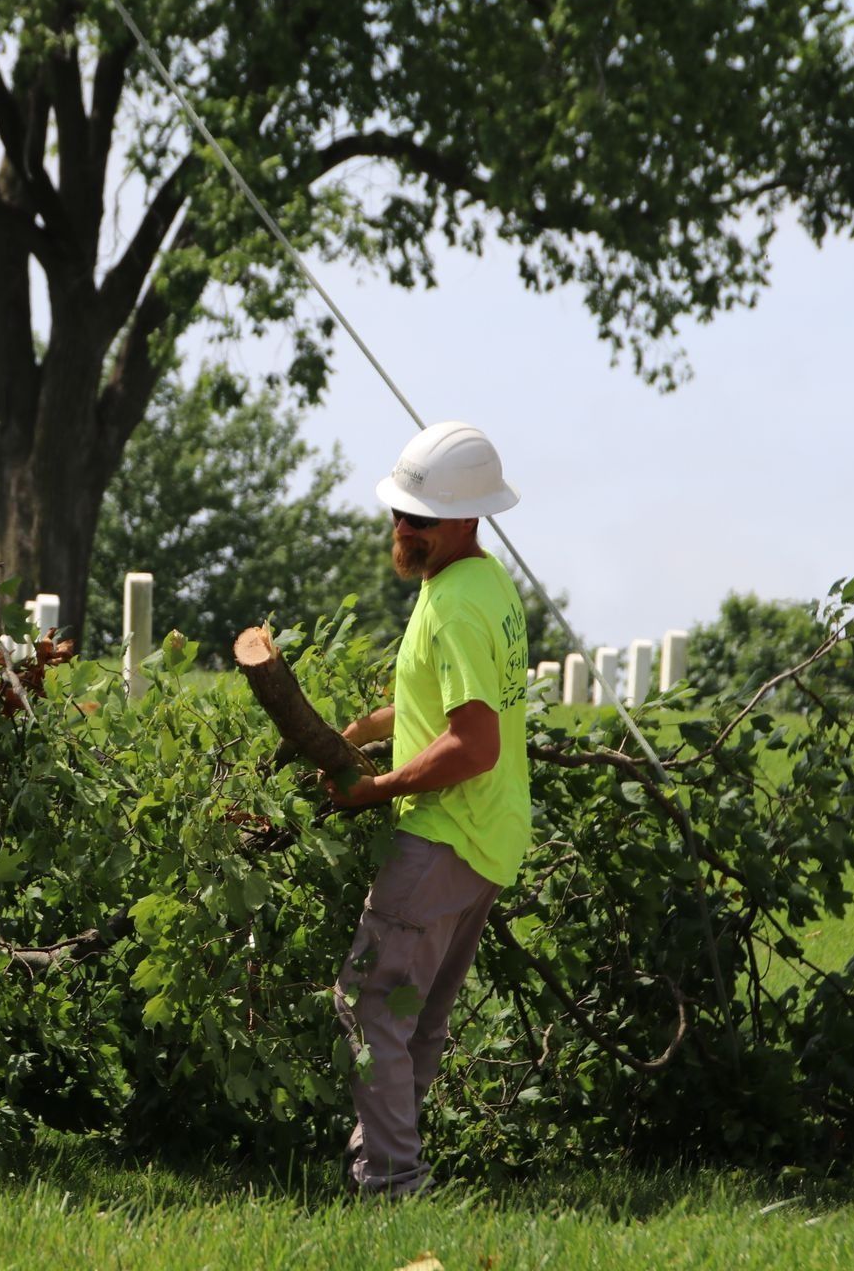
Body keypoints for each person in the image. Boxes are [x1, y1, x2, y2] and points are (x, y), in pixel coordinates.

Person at [323, 420, 531, 1197]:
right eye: (399, 513)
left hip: (444, 838)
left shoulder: (454, 608)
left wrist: (373, 789)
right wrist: (364, 731)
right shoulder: (482, 583)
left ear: (467, 518)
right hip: (487, 838)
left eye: (420, 518)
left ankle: (390, 1183)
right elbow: (449, 703)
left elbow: (474, 744)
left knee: (369, 1003)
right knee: (415, 1016)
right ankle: (387, 1169)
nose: (402, 529)